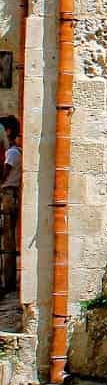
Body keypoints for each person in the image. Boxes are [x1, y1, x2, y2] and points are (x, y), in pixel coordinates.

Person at [0, 116, 22, 291]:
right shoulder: (16, 151)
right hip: (12, 194)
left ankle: (8, 280)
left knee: (8, 240)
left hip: (9, 194)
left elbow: (4, 175)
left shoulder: (12, 153)